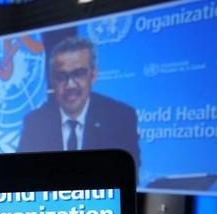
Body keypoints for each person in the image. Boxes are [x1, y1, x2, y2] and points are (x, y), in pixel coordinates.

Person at [17, 36, 141, 170]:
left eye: (79, 74)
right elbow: (24, 173)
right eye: (61, 76)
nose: (70, 85)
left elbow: (129, 173)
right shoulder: (35, 122)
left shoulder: (120, 118)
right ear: (52, 80)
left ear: (93, 75)